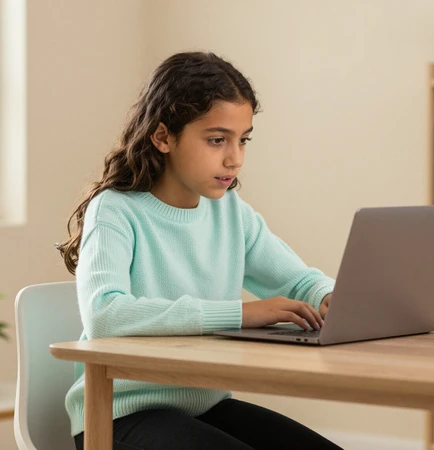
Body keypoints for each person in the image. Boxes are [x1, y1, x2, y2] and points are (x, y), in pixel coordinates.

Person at [57, 51, 341, 450]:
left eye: (243, 140)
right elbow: (106, 314)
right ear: (163, 137)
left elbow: (298, 281)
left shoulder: (228, 212)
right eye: (216, 140)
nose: (235, 158)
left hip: (201, 405)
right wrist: (239, 314)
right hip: (118, 415)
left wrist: (333, 298)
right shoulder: (116, 209)